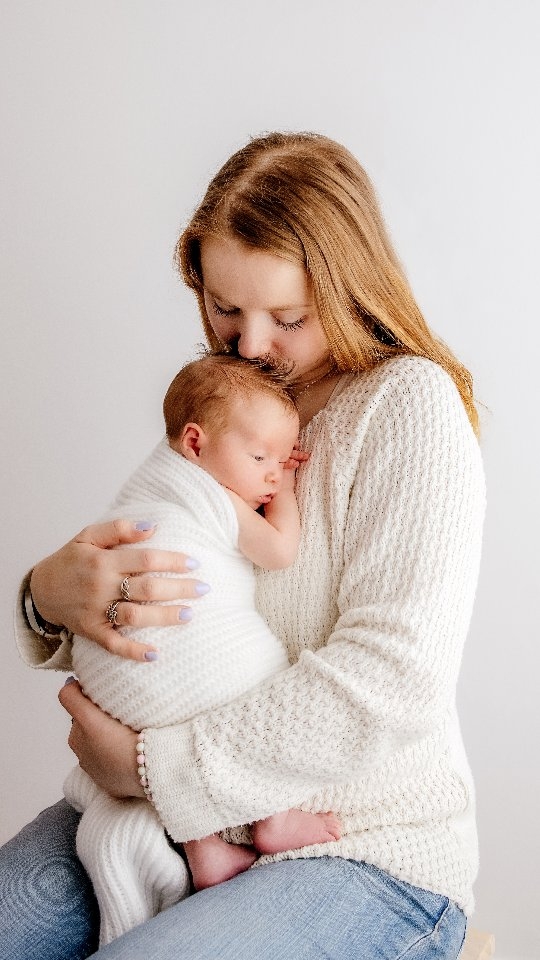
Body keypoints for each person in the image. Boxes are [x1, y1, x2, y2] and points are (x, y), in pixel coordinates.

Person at [2, 131, 485, 960]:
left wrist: (153, 769)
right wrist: (45, 597)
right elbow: (172, 596)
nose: (250, 344)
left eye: (287, 318)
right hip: (148, 818)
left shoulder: (410, 408)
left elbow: (393, 678)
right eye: (225, 309)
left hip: (364, 847)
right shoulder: (237, 401)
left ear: (349, 287)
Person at [64, 351, 340, 946]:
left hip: (111, 679)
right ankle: (275, 816)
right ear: (195, 443)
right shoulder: (214, 496)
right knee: (264, 686)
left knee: (179, 730)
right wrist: (289, 489)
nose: (273, 473)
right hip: (176, 659)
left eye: (281, 461)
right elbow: (280, 551)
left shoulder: (147, 486)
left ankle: (204, 846)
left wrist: (264, 464)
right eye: (261, 458)